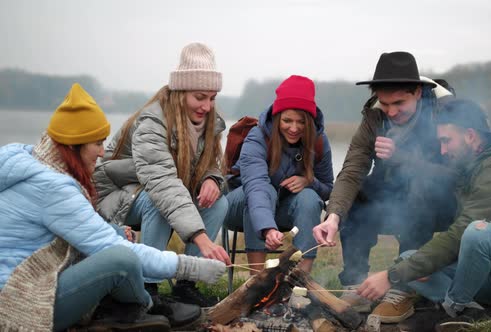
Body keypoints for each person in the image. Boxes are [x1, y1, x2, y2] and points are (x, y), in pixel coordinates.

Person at [0, 83, 227, 331]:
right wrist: (193, 267)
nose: (102, 153)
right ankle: (147, 306)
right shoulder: (53, 188)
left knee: (118, 237)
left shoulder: (30, 161)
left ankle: (122, 311)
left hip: (31, 280)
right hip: (22, 301)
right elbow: (113, 250)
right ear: (74, 145)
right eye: (97, 144)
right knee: (120, 258)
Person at [357, 98, 491, 331]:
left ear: (470, 136)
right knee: (409, 258)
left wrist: (391, 276)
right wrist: (406, 269)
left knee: (479, 233)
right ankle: (474, 311)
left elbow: (462, 234)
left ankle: (454, 310)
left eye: (446, 141)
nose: (442, 150)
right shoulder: (472, 168)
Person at [312, 51, 457, 320]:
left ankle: (403, 288)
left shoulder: (447, 114)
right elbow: (352, 170)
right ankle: (355, 283)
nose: (390, 111)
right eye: (384, 102)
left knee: (418, 189)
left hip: (442, 201)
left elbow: (457, 176)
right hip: (391, 196)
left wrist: (402, 158)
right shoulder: (373, 117)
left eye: (399, 103)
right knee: (356, 195)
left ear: (417, 92)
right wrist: (333, 217)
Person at [93, 42, 231, 308]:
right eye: (199, 97)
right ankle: (147, 285)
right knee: (157, 202)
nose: (207, 106)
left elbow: (212, 163)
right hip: (118, 195)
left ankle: (186, 286)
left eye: (212, 98)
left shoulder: (209, 124)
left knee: (220, 202)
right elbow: (163, 184)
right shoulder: (151, 123)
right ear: (180, 92)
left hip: (155, 191)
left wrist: (212, 180)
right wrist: (202, 239)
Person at [225, 75, 334, 273]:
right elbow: (256, 187)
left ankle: (299, 282)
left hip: (282, 210)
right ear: (277, 118)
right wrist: (268, 228)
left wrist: (309, 181)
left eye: (301, 122)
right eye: (287, 120)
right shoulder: (257, 137)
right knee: (264, 190)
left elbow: (328, 190)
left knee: (310, 197)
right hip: (238, 207)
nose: (294, 128)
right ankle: (256, 282)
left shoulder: (318, 141)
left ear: (309, 121)